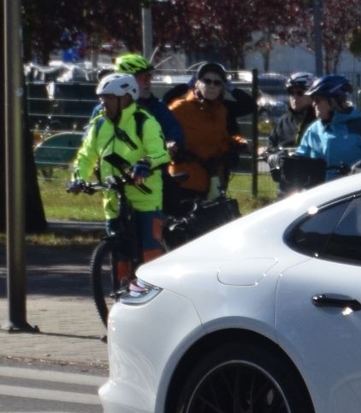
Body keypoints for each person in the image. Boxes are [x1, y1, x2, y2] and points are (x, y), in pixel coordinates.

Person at [67, 71, 172, 286]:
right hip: (113, 197)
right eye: (102, 99)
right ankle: (122, 298)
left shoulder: (144, 121)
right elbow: (86, 156)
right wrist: (79, 178)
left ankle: (156, 294)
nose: (103, 104)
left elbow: (162, 153)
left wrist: (145, 164)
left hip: (145, 198)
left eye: (109, 98)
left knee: (150, 252)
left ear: (126, 98)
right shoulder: (98, 125)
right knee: (119, 255)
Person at [167, 59, 248, 202]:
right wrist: (169, 144)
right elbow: (159, 132)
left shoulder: (221, 111)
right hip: (186, 181)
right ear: (197, 83)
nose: (211, 86)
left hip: (213, 181)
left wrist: (239, 143)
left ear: (222, 87)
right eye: (207, 81)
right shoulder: (180, 108)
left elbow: (222, 139)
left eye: (217, 83)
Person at [292, 74, 361, 182]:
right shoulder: (313, 130)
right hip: (320, 194)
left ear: (333, 100)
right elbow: (300, 157)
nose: (313, 104)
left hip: (354, 193)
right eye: (312, 100)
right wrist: (281, 160)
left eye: (318, 100)